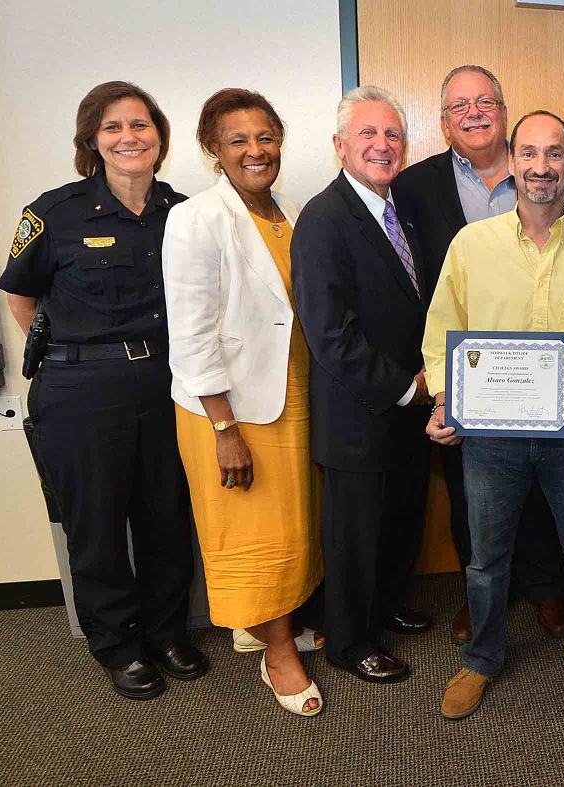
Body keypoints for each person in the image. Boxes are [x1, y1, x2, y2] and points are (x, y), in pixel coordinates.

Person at [424, 110, 564, 719]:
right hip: (491, 437)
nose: (541, 167)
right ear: (512, 163)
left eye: (554, 155)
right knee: (486, 558)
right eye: (529, 154)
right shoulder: (472, 245)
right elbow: (444, 334)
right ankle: (482, 660)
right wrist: (446, 400)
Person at [0, 81, 206, 700]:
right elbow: (19, 294)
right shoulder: (52, 212)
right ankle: (118, 645)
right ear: (93, 140)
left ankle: (168, 632)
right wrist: (75, 347)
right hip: (81, 389)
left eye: (140, 125)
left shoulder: (185, 212)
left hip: (167, 384)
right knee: (98, 525)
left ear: (159, 137)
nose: (128, 137)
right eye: (113, 128)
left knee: (167, 515)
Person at [393, 65, 564, 645]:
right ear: (444, 123)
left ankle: (547, 588)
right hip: (469, 367)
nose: (473, 112)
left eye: (485, 101)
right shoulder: (414, 187)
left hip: (545, 365)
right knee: (472, 488)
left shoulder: (543, 170)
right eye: (459, 106)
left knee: (544, 482)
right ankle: (479, 596)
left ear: (503, 108)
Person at [163, 89, 324, 717]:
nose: (255, 151)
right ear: (213, 151)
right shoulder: (199, 218)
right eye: (238, 141)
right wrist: (223, 425)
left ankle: (271, 622)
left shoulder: (287, 212)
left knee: (292, 526)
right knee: (255, 532)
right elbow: (192, 331)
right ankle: (276, 653)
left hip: (291, 392)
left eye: (265, 137)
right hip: (229, 408)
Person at [291, 86, 433, 685]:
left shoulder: (399, 209)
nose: (383, 145)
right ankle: (349, 643)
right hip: (361, 412)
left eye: (393, 135)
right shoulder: (324, 220)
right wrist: (408, 388)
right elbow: (331, 337)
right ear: (339, 145)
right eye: (369, 134)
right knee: (354, 535)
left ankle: (386, 607)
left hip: (407, 408)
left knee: (400, 518)